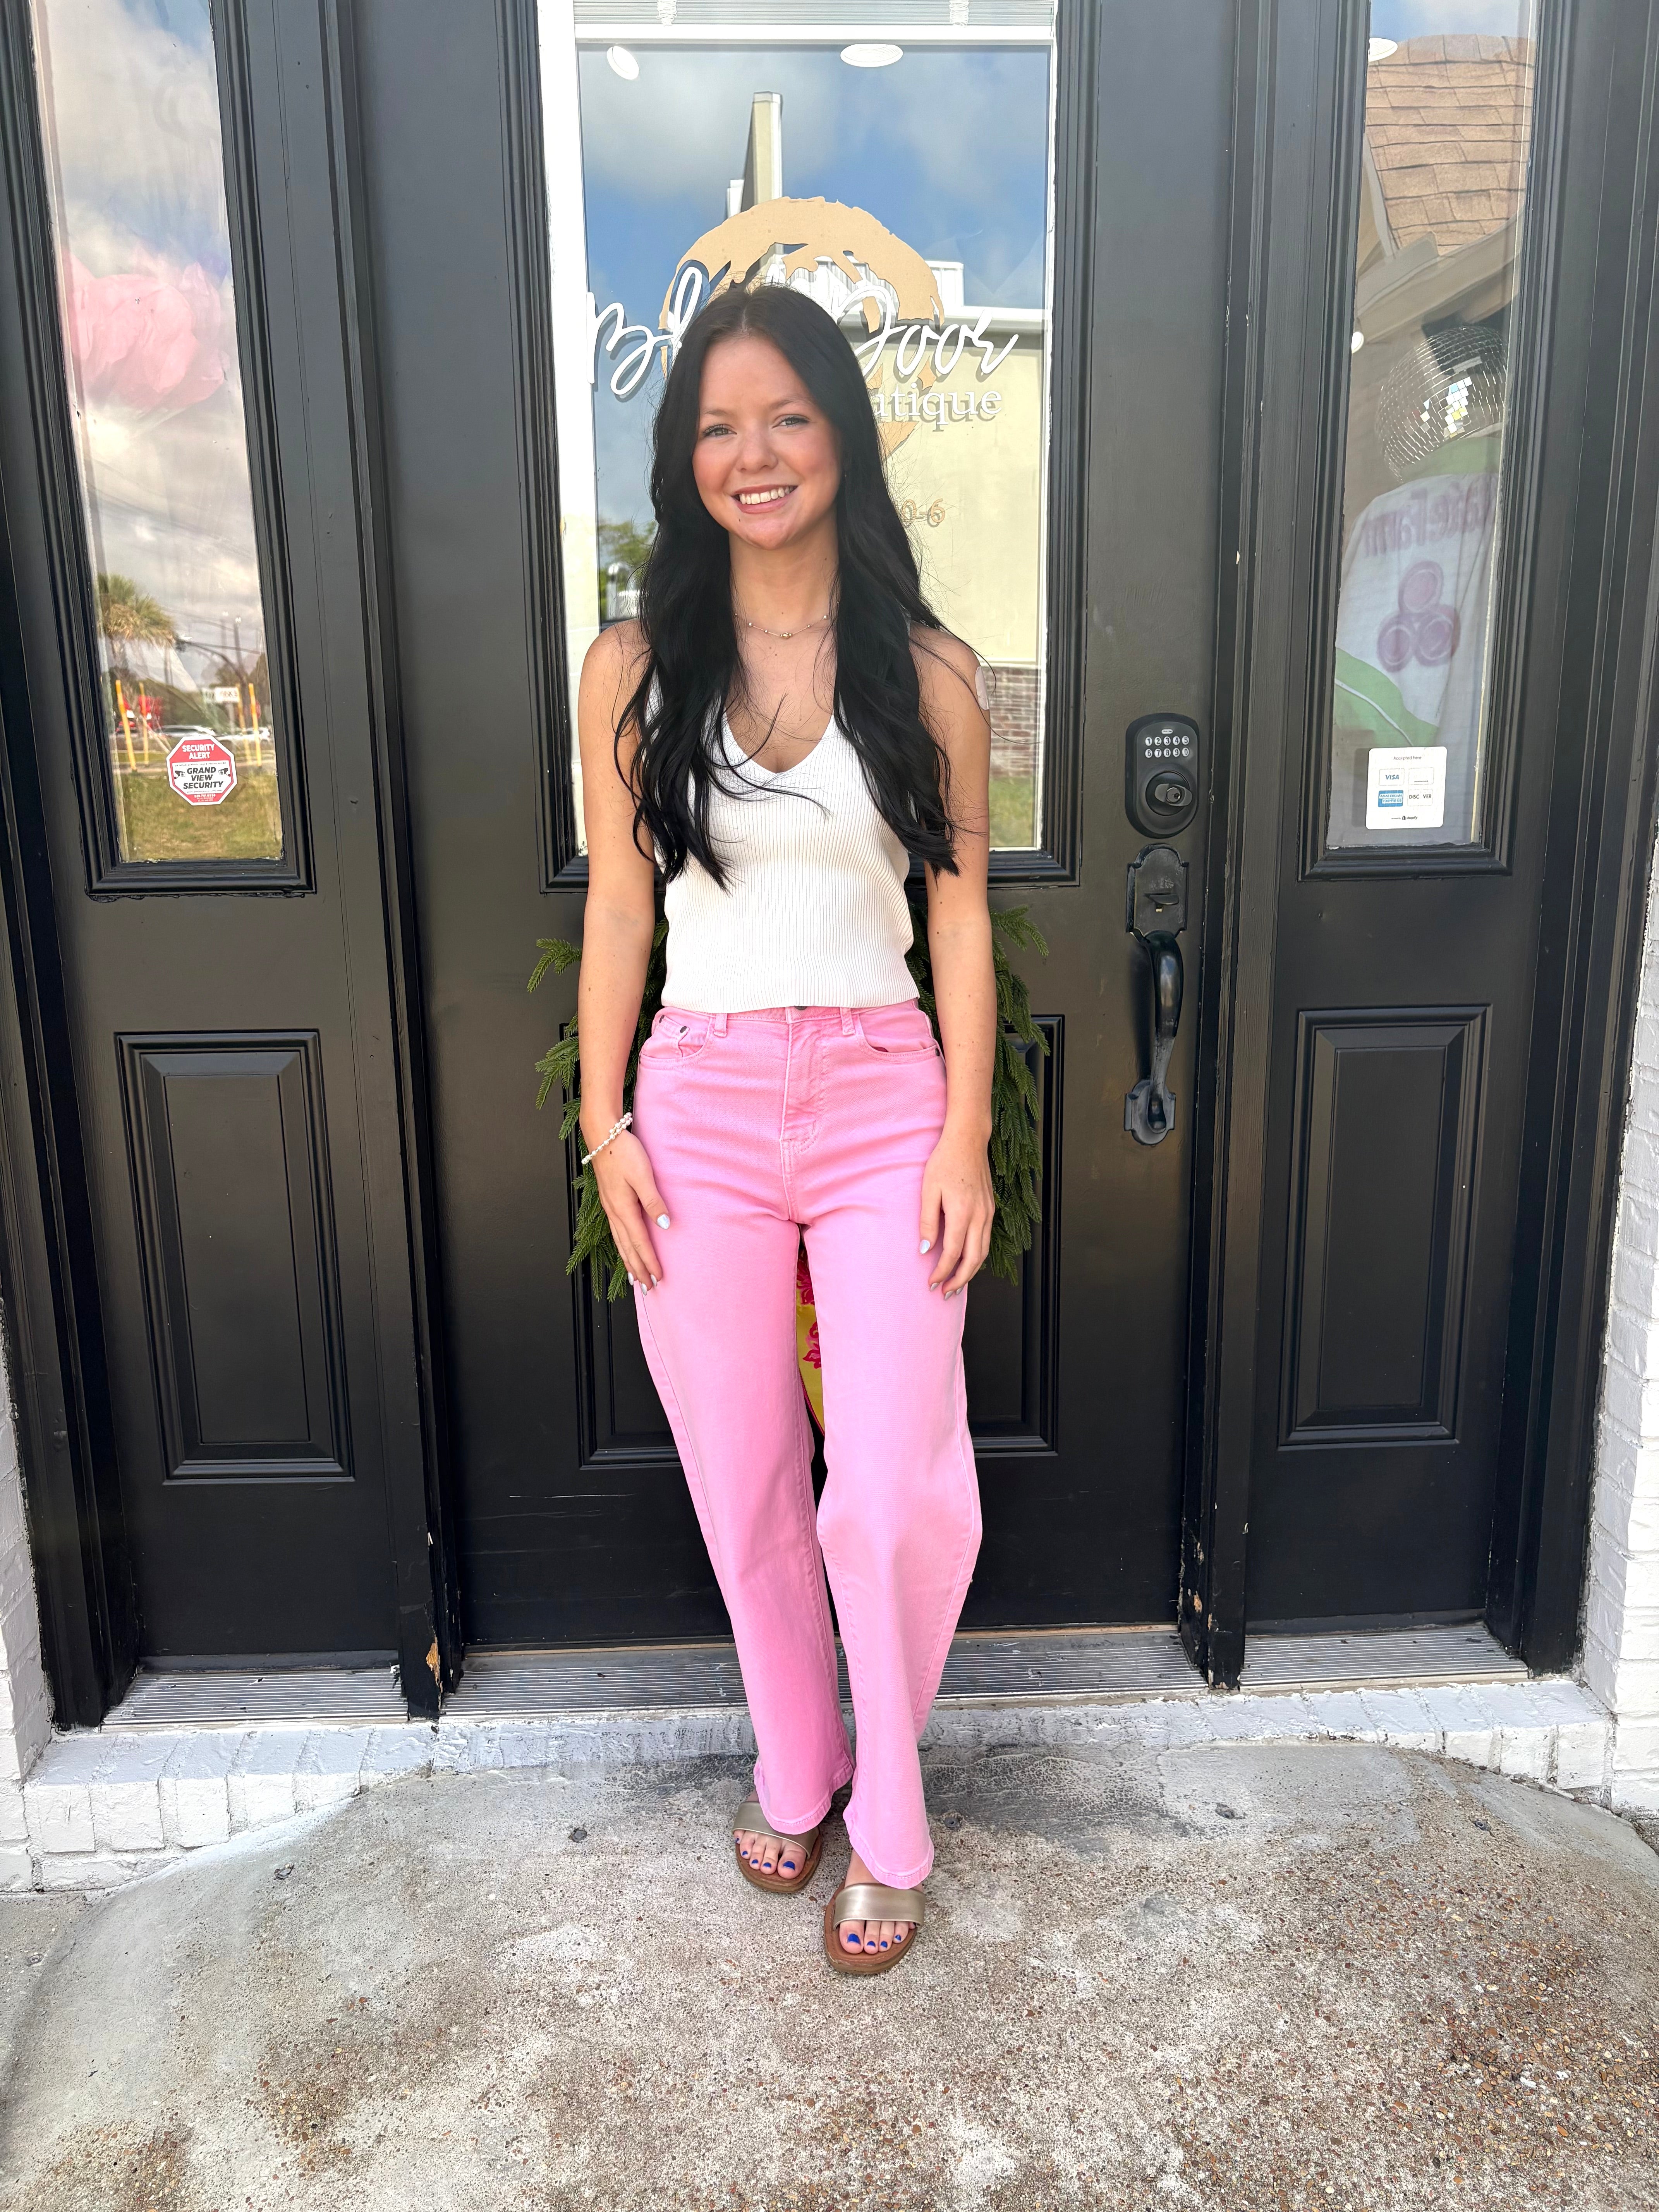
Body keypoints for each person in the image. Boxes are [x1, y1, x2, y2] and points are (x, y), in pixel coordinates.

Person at [574, 280, 994, 1976]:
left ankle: (891, 1818)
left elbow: (958, 916)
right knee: (744, 1474)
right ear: (685, 460)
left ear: (841, 436)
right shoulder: (630, 670)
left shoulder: (931, 672)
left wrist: (964, 1137)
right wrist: (605, 1120)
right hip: (701, 1098)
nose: (753, 454)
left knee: (889, 1492)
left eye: (787, 417)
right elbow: (622, 907)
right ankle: (799, 1763)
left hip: (887, 1091)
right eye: (717, 427)